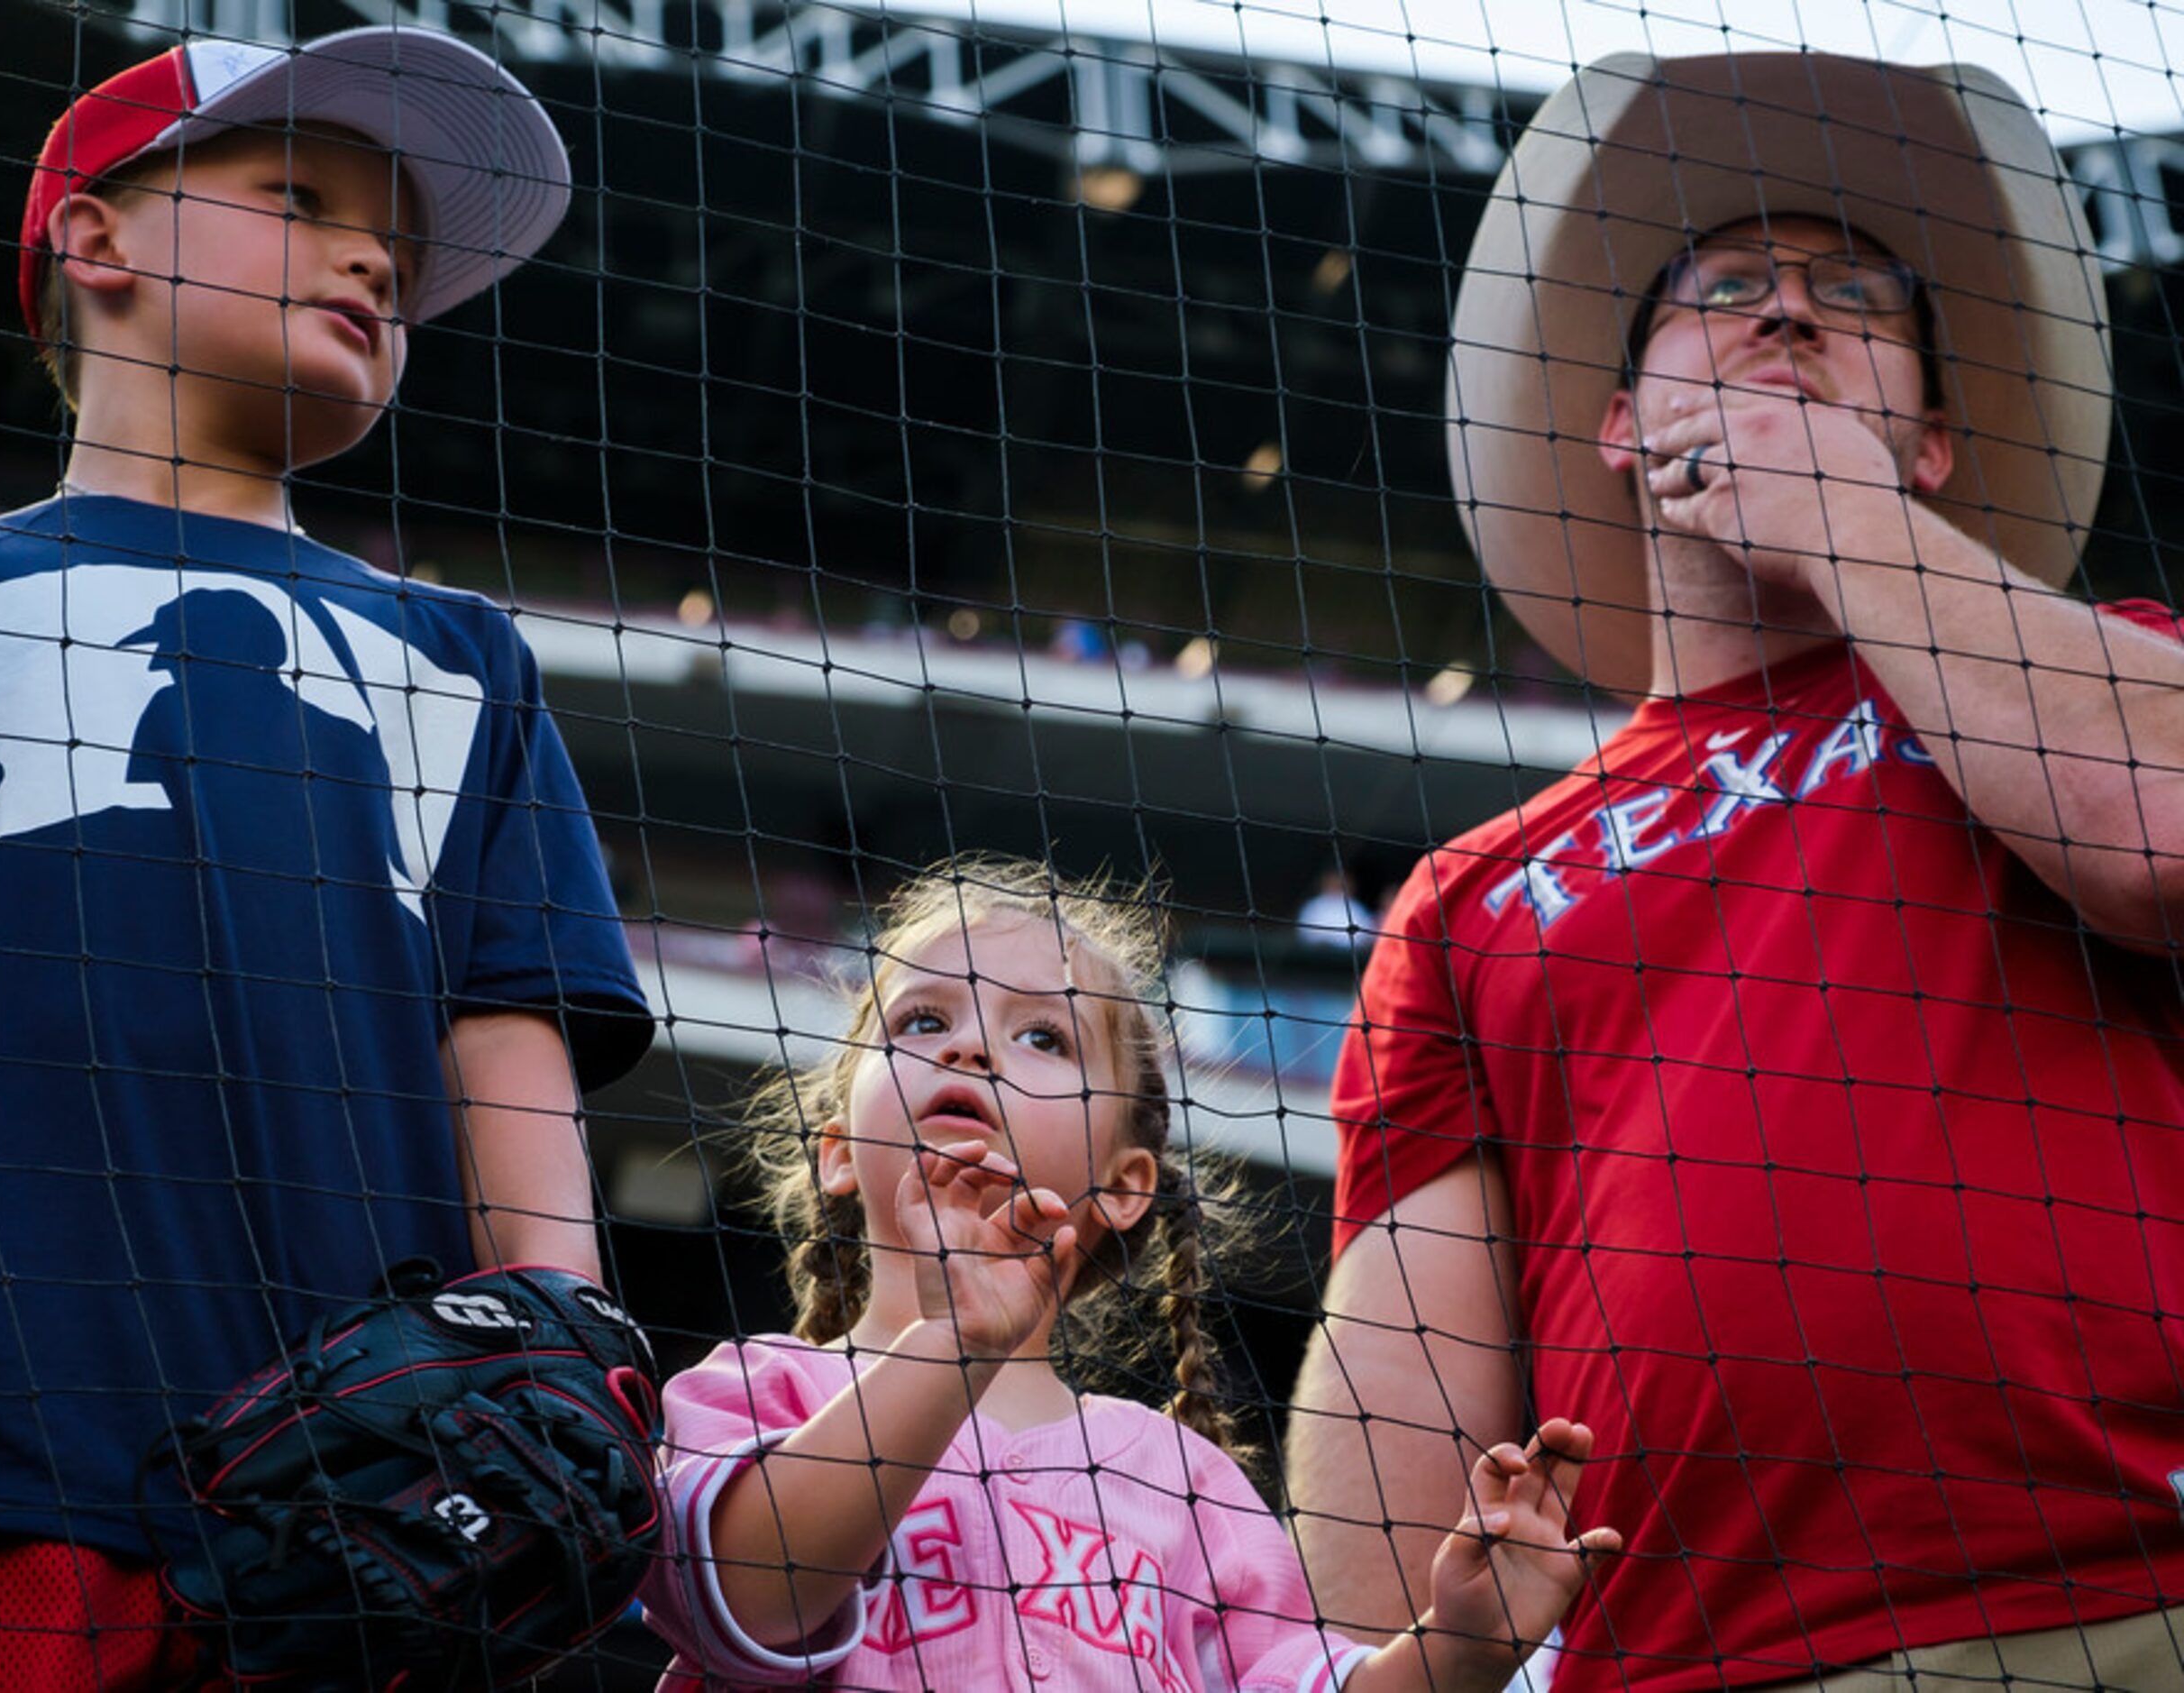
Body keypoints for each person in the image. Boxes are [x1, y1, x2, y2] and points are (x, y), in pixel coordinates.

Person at [0, 26, 653, 1691]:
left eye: (395, 250)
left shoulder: (468, 657)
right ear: (95, 241)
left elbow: (514, 1078)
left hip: (367, 1523)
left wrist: (567, 1392)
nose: (370, 260)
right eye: (297, 196)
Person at [1284, 50, 2184, 1693]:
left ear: (1927, 445)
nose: (1787, 318)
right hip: (1682, 1661)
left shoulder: (2116, 660)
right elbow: (1389, 1490)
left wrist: (1837, 521)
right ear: (1627, 425)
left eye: (1857, 305)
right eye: (1728, 291)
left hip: (2131, 1602)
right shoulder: (1471, 895)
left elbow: (2156, 838)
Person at [643, 856, 1619, 1689]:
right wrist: (948, 1345)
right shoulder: (756, 1390)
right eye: (919, 1022)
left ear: (1121, 1185)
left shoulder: (1181, 1479)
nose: (969, 1045)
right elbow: (747, 1591)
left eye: (1041, 1037)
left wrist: (1456, 1651)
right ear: (838, 1152)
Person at [1296, 866, 1382, 954]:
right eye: (1333, 882)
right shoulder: (1314, 906)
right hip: (1318, 956)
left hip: (1348, 957)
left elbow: (1365, 937)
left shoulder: (1356, 908)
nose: (1337, 885)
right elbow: (1306, 935)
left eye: (1340, 883)